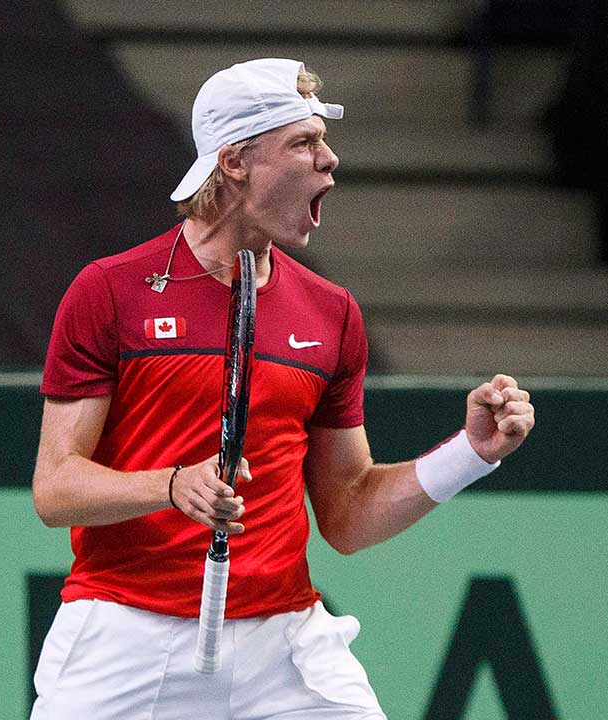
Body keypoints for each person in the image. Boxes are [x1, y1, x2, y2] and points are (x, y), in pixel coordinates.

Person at [29, 58, 536, 719]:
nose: (329, 161)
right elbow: (57, 488)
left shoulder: (331, 314)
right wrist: (171, 485)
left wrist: (472, 452)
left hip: (284, 644)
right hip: (124, 637)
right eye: (304, 142)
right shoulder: (110, 292)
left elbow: (348, 514)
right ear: (235, 161)